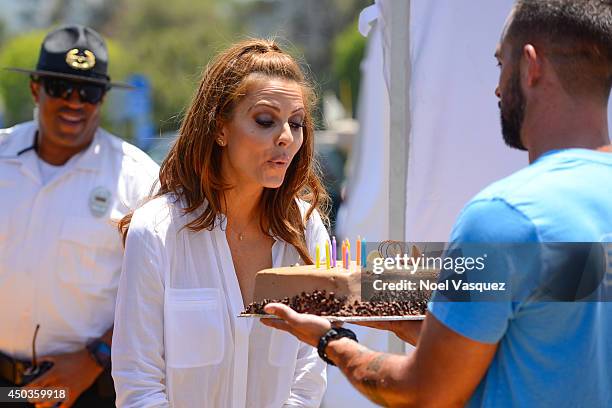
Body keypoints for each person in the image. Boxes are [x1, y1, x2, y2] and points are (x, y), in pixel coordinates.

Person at [263, 0, 612, 406]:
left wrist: (329, 339)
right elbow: (547, 325)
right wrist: (411, 324)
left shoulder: (506, 217)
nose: (497, 88)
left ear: (531, 66)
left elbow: (421, 392)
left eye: (501, 64)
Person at [111, 39, 330, 407]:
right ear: (219, 128)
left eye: (296, 123)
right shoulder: (158, 230)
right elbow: (138, 384)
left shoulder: (306, 233)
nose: (286, 138)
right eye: (265, 121)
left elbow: (308, 378)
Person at [0, 25, 159, 407]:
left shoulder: (138, 179)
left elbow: (160, 293)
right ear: (35, 88)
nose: (74, 102)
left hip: (87, 386)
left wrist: (96, 358)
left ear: (102, 98)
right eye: (60, 87)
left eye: (88, 91)